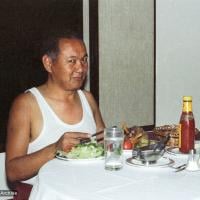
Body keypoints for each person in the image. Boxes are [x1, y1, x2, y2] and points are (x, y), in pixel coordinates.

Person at [5, 31, 105, 199]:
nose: (81, 68)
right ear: (48, 63)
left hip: (87, 189)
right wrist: (55, 149)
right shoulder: (27, 104)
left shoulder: (87, 98)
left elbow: (103, 143)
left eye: (84, 60)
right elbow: (12, 171)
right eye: (72, 61)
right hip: (41, 194)